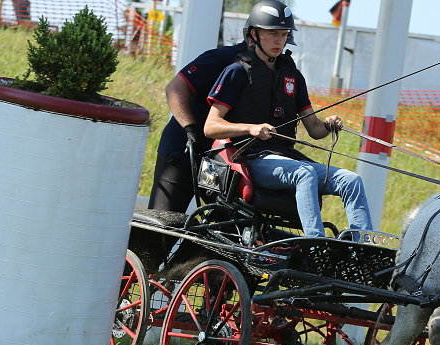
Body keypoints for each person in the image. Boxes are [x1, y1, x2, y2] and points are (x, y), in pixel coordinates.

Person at [204, 0, 373, 239]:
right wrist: (252, 129)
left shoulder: (294, 76)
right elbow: (210, 127)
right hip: (250, 159)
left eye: (284, 34)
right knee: (304, 173)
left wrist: (328, 125)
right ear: (254, 33)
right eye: (272, 33)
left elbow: (314, 128)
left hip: (287, 160)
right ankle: (316, 243)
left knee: (351, 180)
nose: (279, 40)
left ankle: (362, 246)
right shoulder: (237, 72)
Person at [148, 33, 279, 211]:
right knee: (164, 226)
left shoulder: (271, 71)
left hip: (221, 159)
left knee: (220, 228)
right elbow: (174, 88)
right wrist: (191, 129)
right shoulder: (223, 58)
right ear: (252, 39)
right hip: (184, 149)